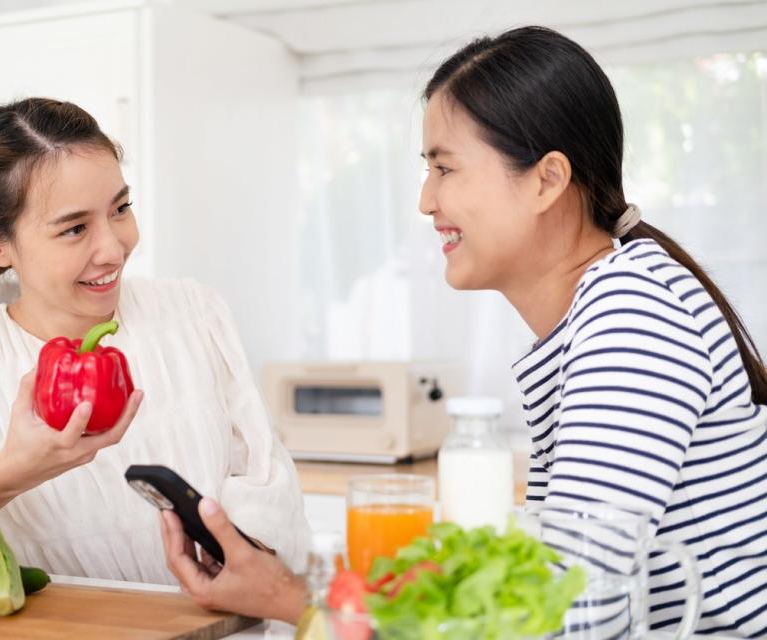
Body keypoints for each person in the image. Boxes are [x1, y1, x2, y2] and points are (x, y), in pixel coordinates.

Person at [161, 26, 767, 636]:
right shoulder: (611, 306)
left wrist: (295, 599)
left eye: (444, 168)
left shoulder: (632, 317)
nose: (427, 201)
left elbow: (567, 618)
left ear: (547, 180)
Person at [0, 97, 310, 583]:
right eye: (75, 228)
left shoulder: (193, 312)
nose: (113, 248)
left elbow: (263, 478)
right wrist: (16, 470)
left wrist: (248, 550)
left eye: (121, 208)